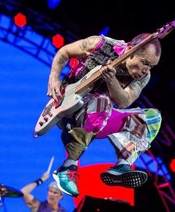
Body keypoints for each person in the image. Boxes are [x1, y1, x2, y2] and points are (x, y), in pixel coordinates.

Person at [46, 33, 162, 197]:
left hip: (98, 117)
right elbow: (65, 52)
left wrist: (112, 81)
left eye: (151, 67)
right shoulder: (101, 44)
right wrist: (54, 78)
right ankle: (68, 167)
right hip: (70, 110)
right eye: (145, 63)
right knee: (103, 102)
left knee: (152, 118)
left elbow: (124, 101)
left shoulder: (144, 77)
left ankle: (122, 166)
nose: (146, 71)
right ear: (131, 50)